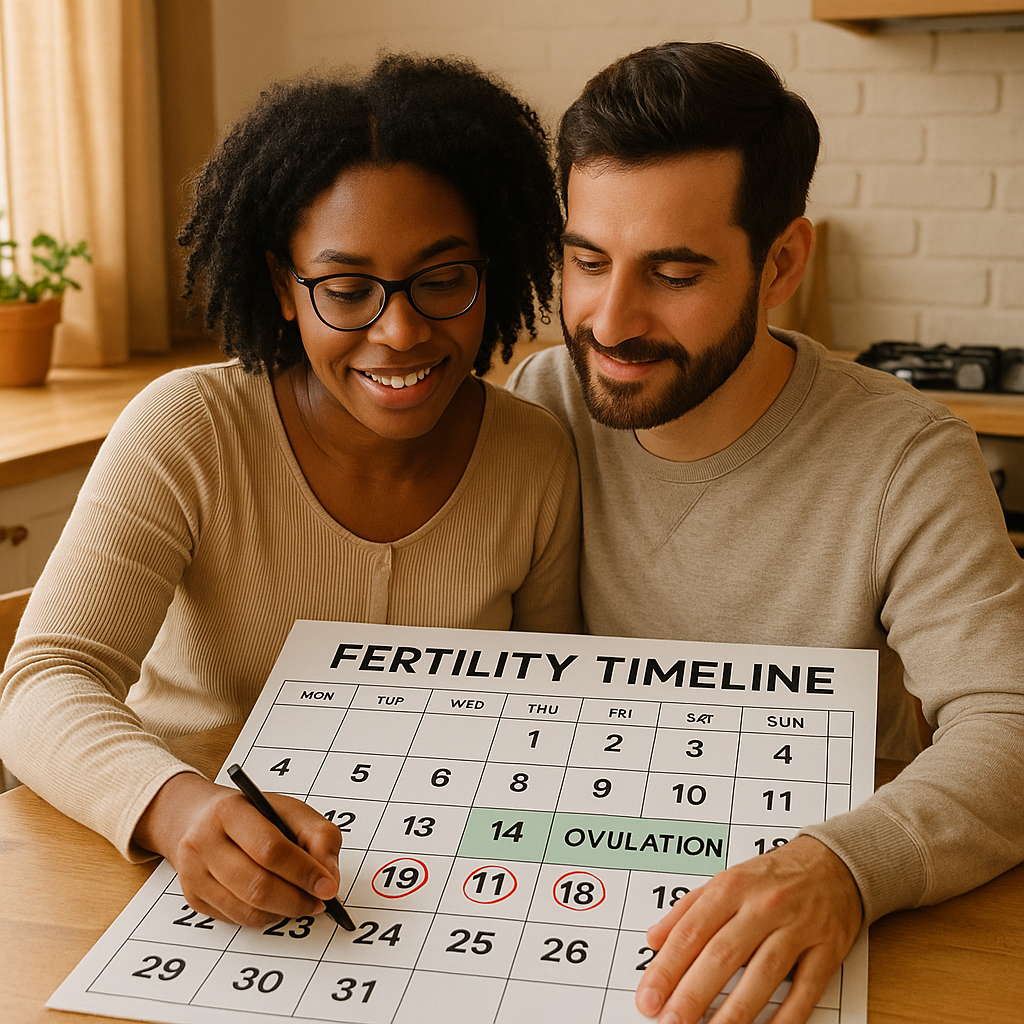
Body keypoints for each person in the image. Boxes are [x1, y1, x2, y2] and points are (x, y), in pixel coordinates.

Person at [0, 55, 581, 929]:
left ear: (490, 272)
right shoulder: (188, 429)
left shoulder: (536, 454)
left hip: (429, 892)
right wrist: (177, 806)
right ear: (283, 286)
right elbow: (45, 678)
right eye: (347, 290)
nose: (401, 331)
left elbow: (551, 703)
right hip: (165, 879)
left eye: (443, 279)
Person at [509, 40, 1024, 1024]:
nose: (608, 322)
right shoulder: (544, 398)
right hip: (587, 882)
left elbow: (1008, 722)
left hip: (818, 925)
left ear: (782, 261)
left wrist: (844, 863)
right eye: (585, 261)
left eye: (672, 272)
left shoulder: (907, 454)